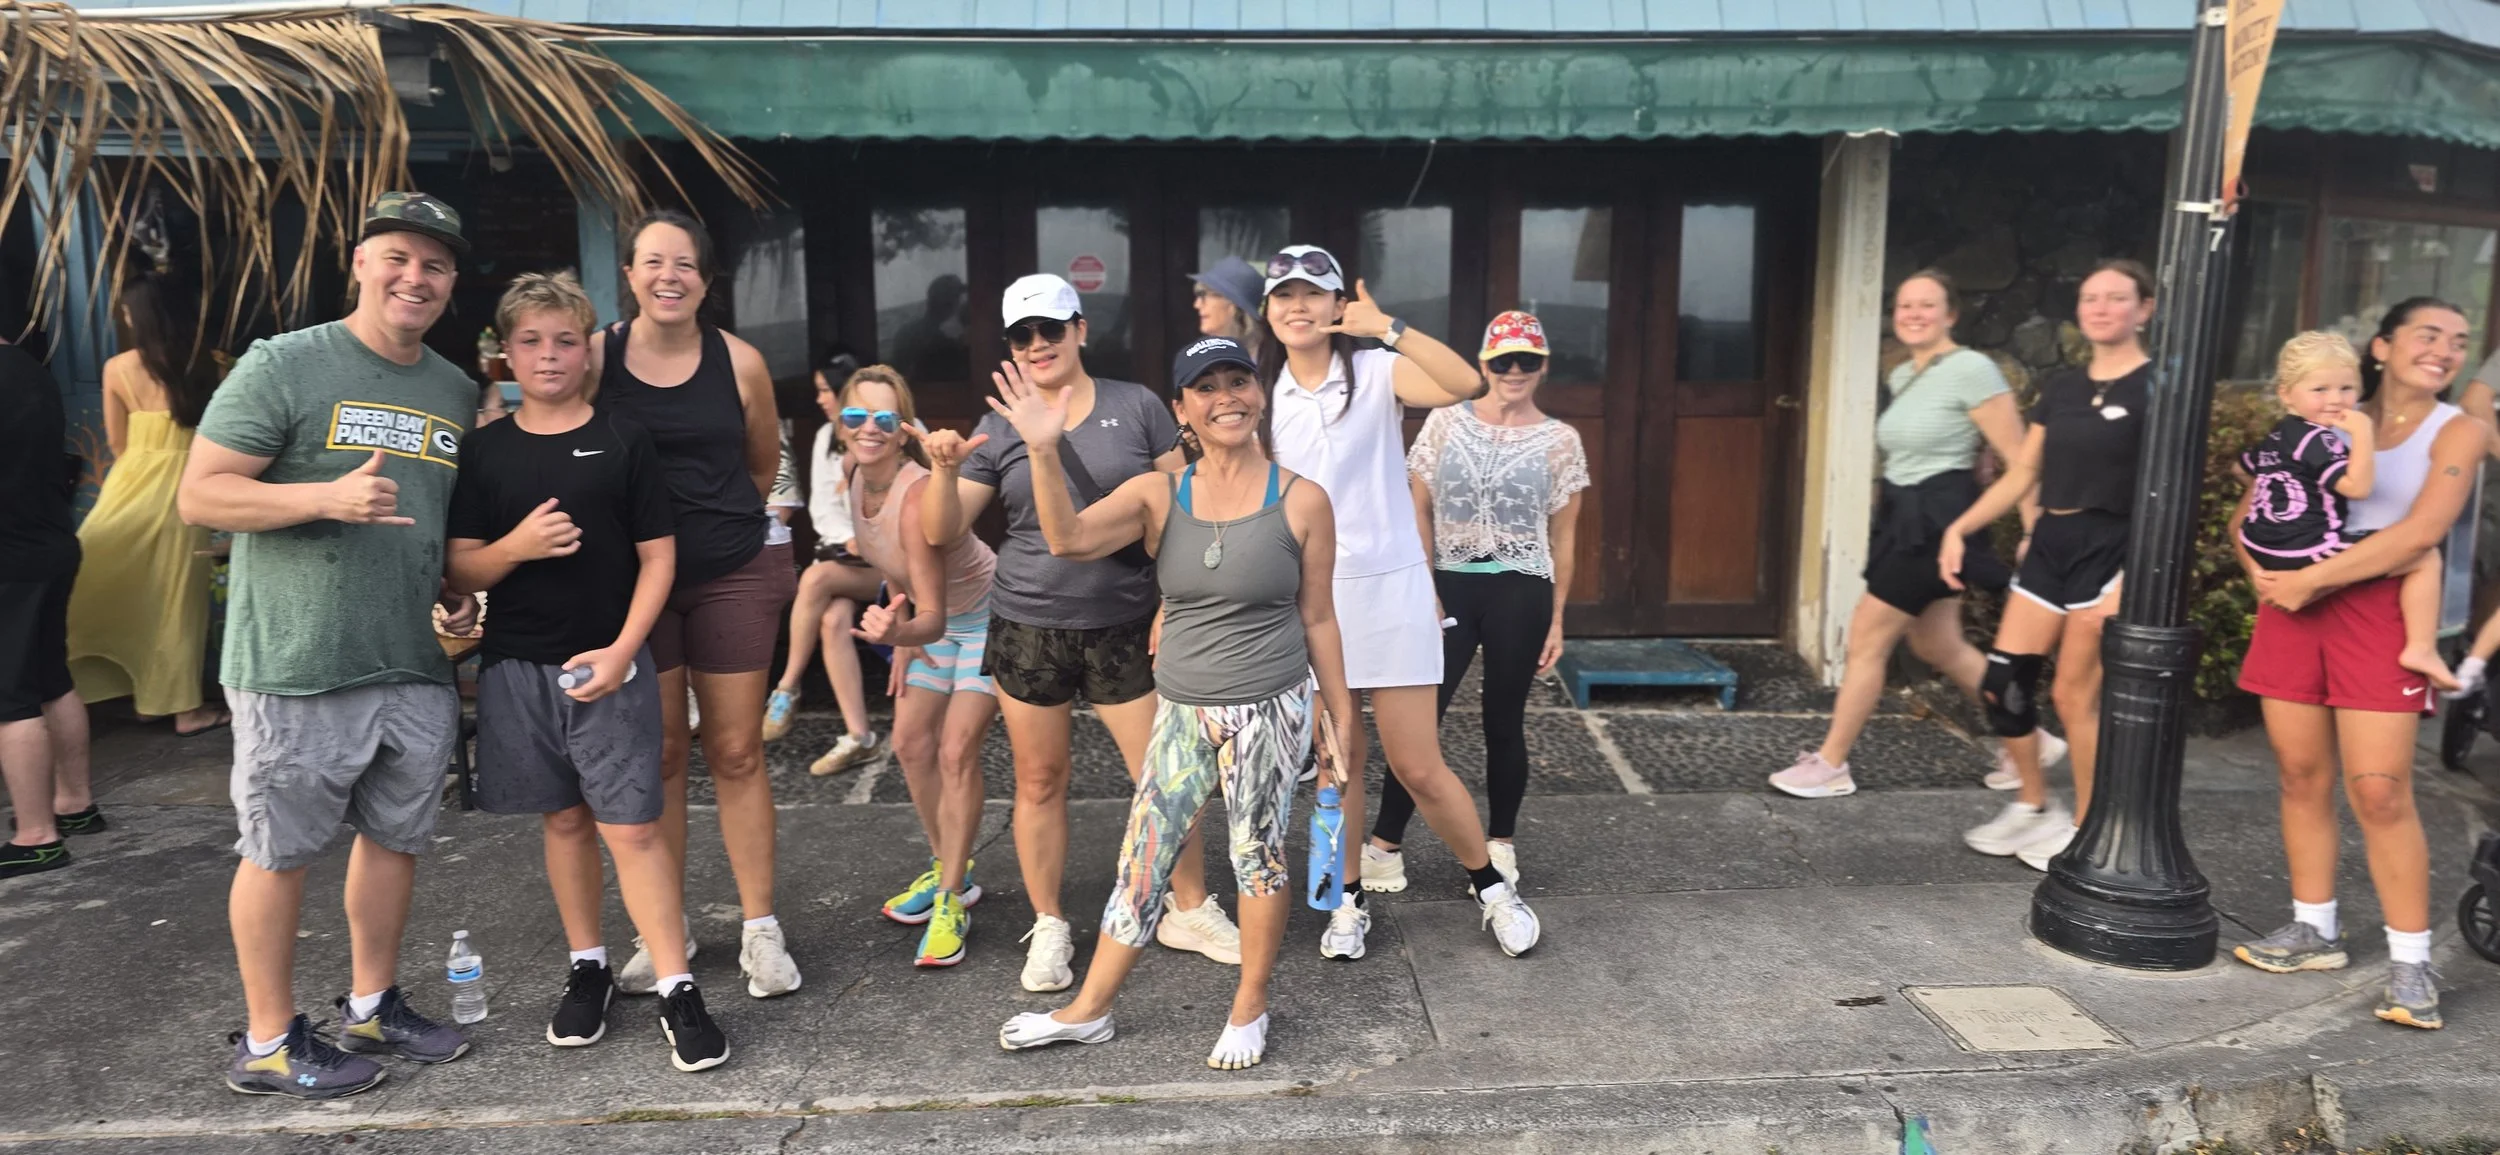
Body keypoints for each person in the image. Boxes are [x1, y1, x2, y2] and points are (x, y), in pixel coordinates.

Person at [179, 192, 479, 1098]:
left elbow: (432, 518)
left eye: (433, 264)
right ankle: (269, 1041)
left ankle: (373, 1002)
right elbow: (202, 494)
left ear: (452, 282)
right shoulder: (286, 365)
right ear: (360, 262)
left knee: (395, 839)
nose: (413, 277)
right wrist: (320, 497)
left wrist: (455, 596)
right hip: (300, 661)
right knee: (278, 848)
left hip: (412, 662)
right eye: (397, 257)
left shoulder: (455, 388)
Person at [997, 336, 1356, 1070]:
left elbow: (1318, 615)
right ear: (1182, 409)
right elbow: (1066, 539)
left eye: (1239, 380)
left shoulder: (1304, 499)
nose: (1227, 395)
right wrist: (1041, 448)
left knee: (1257, 856)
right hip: (1183, 708)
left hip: (1271, 705)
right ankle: (1087, 1010)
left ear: (1259, 394)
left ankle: (1250, 1004)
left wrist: (1340, 715)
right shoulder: (1160, 494)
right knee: (1144, 858)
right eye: (1207, 387)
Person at [921, 273, 1241, 993]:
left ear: (1081, 330)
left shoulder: (1137, 406)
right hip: (1030, 624)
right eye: (1022, 335)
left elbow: (1185, 507)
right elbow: (943, 532)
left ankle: (1187, 906)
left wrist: (1175, 601)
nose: (1038, 345)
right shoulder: (999, 421)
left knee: (1166, 779)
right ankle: (1051, 922)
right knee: (1038, 781)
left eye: (1051, 329)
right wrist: (942, 472)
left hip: (1127, 619)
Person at [444, 271, 728, 1072]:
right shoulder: (486, 449)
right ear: (504, 353)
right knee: (562, 819)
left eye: (565, 339)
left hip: (611, 659)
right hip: (515, 666)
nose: (549, 354)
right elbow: (462, 564)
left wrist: (623, 648)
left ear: (587, 349)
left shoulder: (623, 437)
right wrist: (516, 549)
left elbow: (658, 556)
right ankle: (589, 966)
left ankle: (676, 984)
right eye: (530, 340)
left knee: (633, 825)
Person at [1255, 244, 1541, 958]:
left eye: (1313, 294)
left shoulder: (1375, 369)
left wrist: (1387, 326)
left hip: (1394, 584)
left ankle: (1491, 887)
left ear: (1335, 304)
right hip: (1313, 597)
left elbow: (1463, 381)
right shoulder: (1261, 393)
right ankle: (1347, 902)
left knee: (1417, 761)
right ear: (1267, 308)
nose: (1299, 307)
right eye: (1284, 295)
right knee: (1339, 759)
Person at [2236, 296, 2480, 1032]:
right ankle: (2316, 930)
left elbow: (2424, 531)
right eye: (2427, 334)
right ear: (2382, 344)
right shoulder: (2322, 408)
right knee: (2300, 773)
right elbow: (2249, 509)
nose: (2444, 349)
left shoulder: (2457, 429)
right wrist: (2260, 571)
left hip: (2377, 607)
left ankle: (2411, 962)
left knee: (2378, 789)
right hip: (2294, 606)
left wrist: (2315, 578)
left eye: (2460, 341)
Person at [589, 210, 800, 1000]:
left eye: (685, 263)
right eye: (653, 261)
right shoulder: (597, 357)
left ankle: (759, 928)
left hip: (729, 571)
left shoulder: (739, 361)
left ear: (706, 281)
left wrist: (708, 525)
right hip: (632, 581)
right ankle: (661, 929)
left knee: (738, 750)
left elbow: (760, 463)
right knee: (664, 753)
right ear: (632, 274)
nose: (669, 275)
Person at [1769, 270, 2058, 799]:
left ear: (1951, 314)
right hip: (1903, 517)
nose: (1914, 314)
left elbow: (2021, 458)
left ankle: (1832, 763)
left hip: (1936, 522)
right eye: (1905, 306)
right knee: (1937, 643)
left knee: (1866, 637)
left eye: (1927, 305)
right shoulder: (1906, 375)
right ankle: (2028, 739)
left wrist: (2034, 530)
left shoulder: (1973, 369)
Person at [1936, 259, 2156, 871]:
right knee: (2003, 683)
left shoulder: (2157, 388)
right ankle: (2036, 807)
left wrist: (2136, 574)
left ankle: (2089, 828)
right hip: (2053, 542)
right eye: (2091, 298)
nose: (2101, 308)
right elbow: (2026, 472)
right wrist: (1961, 527)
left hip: (2110, 546)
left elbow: (2168, 492)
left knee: (2072, 694)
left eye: (2117, 298)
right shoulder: (2062, 388)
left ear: (2146, 308)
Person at [1365, 311, 1585, 886]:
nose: (1515, 371)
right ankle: (1386, 846)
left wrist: (1558, 617)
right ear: (1484, 363)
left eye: (1527, 361)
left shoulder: (1561, 440)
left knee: (1504, 719)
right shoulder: (1444, 422)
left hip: (1523, 585)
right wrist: (1423, 582)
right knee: (1421, 717)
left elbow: (1564, 537)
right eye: (1503, 360)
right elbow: (1417, 506)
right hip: (1448, 580)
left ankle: (1501, 841)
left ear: (1543, 367)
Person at [841, 369, 1000, 967]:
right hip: (930, 618)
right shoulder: (854, 474)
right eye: (858, 418)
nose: (871, 430)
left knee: (957, 749)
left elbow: (932, 616)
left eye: (886, 419)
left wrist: (901, 631)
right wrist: (898, 615)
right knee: (910, 743)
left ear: (905, 431)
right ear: (842, 425)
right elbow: (896, 569)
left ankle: (953, 897)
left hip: (985, 617)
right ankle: (950, 870)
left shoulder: (914, 496)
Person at [2237, 331, 2456, 690]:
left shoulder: (2278, 434)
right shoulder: (2318, 437)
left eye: (2346, 389)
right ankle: (2421, 648)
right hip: (2303, 548)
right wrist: (2364, 433)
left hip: (2259, 544)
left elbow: (2242, 468)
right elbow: (2358, 487)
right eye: (2320, 390)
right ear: (2285, 393)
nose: (2335, 400)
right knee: (2424, 556)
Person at [65, 269, 228, 737]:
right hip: (190, 492)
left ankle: (140, 697)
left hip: (131, 490)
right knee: (177, 600)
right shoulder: (217, 365)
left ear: (142, 317)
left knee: (100, 585)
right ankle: (180, 708)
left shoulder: (118, 367)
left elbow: (117, 444)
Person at [1, 332, 97, 879]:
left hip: (8, 559)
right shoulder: (28, 368)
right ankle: (75, 803)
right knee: (50, 677)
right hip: (50, 544)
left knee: (10, 696)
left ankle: (36, 835)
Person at [763, 358, 886, 778]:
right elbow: (821, 510)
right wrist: (847, 540)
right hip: (845, 558)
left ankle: (787, 686)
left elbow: (918, 503)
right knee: (832, 621)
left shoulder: (895, 429)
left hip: (893, 565)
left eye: (825, 391)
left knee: (814, 578)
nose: (820, 400)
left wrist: (869, 539)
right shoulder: (825, 437)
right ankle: (861, 737)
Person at [1191, 256, 1265, 357]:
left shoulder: (1266, 361)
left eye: (1204, 295)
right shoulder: (1201, 356)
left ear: (1234, 305)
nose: (1197, 305)